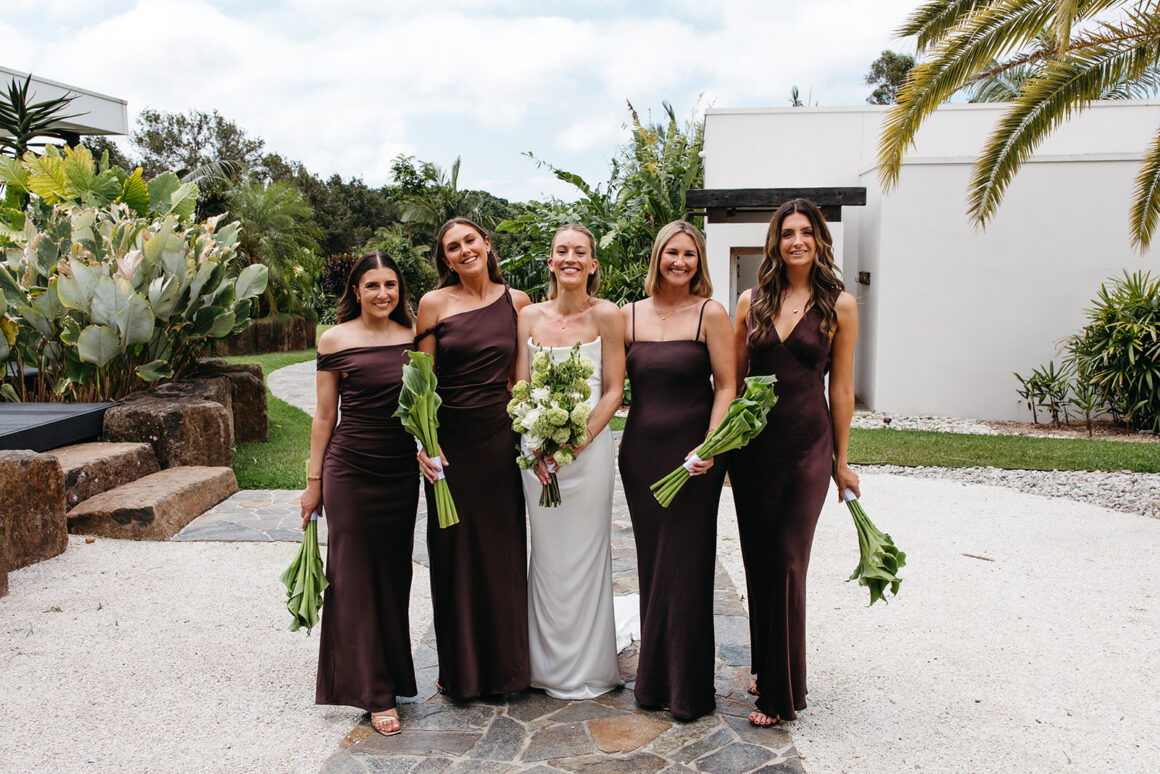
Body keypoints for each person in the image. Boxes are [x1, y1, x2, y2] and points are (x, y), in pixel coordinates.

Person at [730, 198, 859, 728]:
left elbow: (843, 388)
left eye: (806, 232)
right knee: (759, 562)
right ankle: (765, 665)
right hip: (752, 449)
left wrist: (841, 461)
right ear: (776, 242)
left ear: (819, 239)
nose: (797, 241)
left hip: (808, 446)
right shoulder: (750, 302)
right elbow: (732, 383)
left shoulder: (840, 305)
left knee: (787, 561)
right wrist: (717, 442)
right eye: (788, 233)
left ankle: (781, 694)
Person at [618, 220, 736, 720]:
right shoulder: (627, 316)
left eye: (689, 254)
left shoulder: (711, 313)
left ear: (699, 262)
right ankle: (652, 684)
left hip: (696, 458)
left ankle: (687, 690)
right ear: (658, 258)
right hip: (641, 453)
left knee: (686, 566)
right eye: (672, 253)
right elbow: (607, 386)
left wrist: (710, 446)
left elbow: (728, 386)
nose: (680, 262)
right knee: (654, 565)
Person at [299, 251, 419, 737]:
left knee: (392, 575)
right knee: (352, 576)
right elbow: (324, 416)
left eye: (391, 285)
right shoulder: (335, 339)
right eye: (373, 286)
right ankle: (373, 693)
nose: (383, 294)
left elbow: (425, 405)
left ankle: (389, 672)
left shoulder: (414, 336)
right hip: (349, 468)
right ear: (355, 291)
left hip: (398, 470)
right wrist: (314, 484)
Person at [414, 217, 532, 700]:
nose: (463, 251)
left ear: (486, 244)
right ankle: (459, 671)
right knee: (453, 554)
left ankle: (506, 670)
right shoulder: (433, 305)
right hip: (449, 447)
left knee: (501, 554)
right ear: (445, 259)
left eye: (469, 241)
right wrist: (424, 444)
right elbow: (420, 382)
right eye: (452, 248)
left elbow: (518, 379)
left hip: (499, 441)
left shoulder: (518, 302)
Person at [514, 224, 625, 699]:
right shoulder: (528, 317)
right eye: (562, 251)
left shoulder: (609, 315)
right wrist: (536, 445)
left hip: (588, 452)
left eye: (580, 251)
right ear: (551, 262)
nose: (571, 258)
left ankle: (590, 666)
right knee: (548, 555)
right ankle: (545, 664)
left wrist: (573, 445)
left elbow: (615, 390)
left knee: (587, 553)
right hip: (537, 454)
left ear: (593, 264)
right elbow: (518, 388)